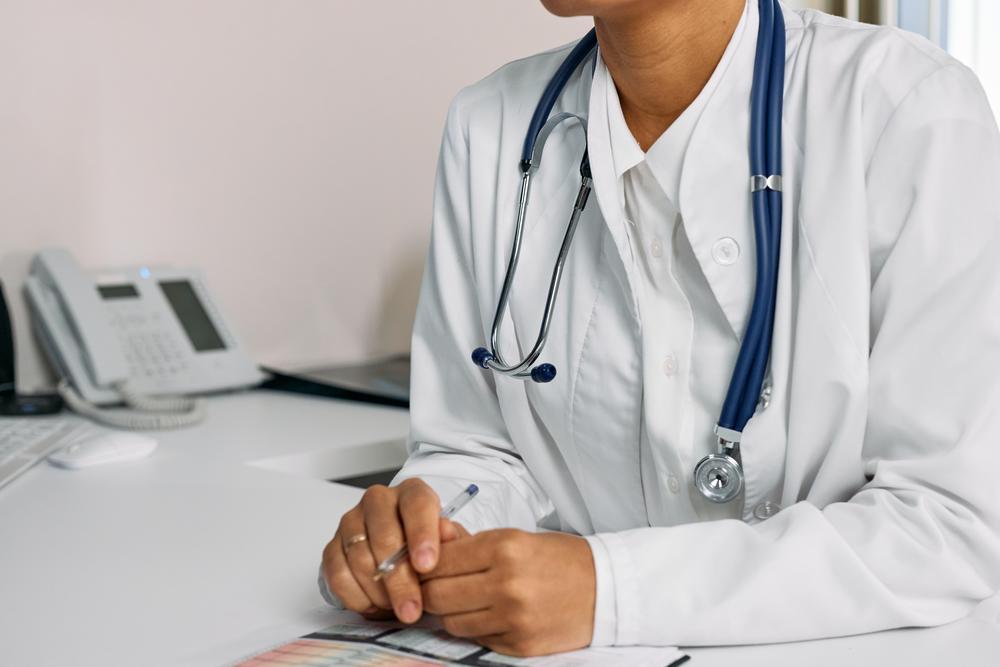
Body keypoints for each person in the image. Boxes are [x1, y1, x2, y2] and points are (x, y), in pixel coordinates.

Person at [321, 0, 1000, 657]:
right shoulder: (491, 126)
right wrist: (423, 533)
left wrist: (609, 589)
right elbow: (480, 451)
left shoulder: (910, 114)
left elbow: (944, 524)